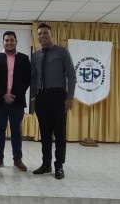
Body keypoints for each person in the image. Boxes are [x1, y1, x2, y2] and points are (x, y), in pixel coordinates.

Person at [31, 23, 76, 179]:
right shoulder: (35, 55)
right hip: (42, 98)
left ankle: (59, 166)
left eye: (45, 33)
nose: (42, 36)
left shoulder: (62, 52)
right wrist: (33, 99)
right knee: (45, 134)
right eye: (40, 34)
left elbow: (71, 75)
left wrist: (70, 97)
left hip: (59, 97)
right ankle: (46, 164)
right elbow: (34, 78)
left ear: (51, 34)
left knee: (60, 133)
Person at [0, 31, 31, 171]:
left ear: (16, 41)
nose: (9, 42)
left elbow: (27, 80)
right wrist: (3, 95)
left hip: (17, 101)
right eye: (6, 40)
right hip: (0, 101)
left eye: (11, 40)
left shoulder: (24, 58)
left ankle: (17, 159)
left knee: (16, 131)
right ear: (3, 42)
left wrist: (13, 95)